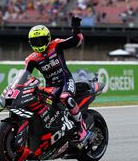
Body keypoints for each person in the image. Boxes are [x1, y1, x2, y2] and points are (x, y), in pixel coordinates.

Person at [25, 16, 91, 144]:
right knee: (38, 101)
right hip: (51, 86)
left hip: (66, 81)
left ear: (48, 38)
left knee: (66, 97)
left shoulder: (56, 45)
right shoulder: (31, 59)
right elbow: (25, 75)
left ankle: (82, 129)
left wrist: (76, 27)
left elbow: (76, 41)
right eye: (35, 41)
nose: (39, 43)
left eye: (41, 40)